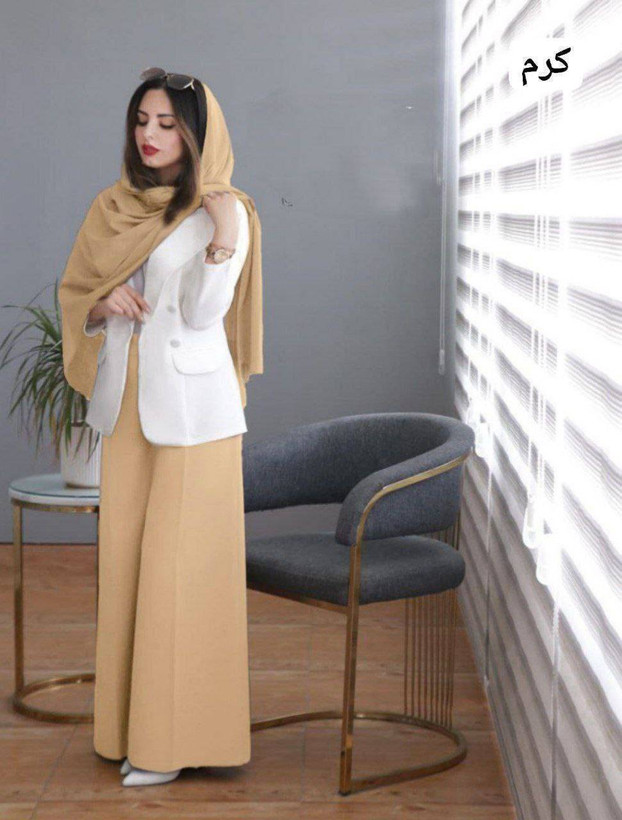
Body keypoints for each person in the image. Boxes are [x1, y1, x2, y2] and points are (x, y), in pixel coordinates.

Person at [58, 68, 263, 787]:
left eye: (168, 124)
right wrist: (103, 303)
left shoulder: (224, 210)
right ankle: (125, 729)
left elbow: (206, 315)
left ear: (196, 134)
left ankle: (169, 744)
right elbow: (77, 296)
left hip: (193, 417)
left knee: (182, 575)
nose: (149, 135)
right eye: (142, 121)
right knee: (126, 570)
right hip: (125, 408)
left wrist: (223, 238)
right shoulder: (112, 205)